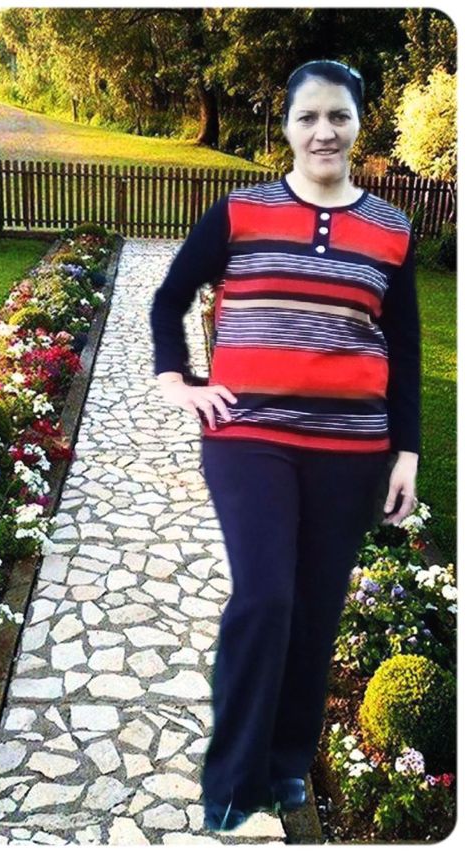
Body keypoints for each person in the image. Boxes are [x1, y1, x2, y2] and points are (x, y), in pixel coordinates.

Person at [149, 59, 422, 833]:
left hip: (352, 448)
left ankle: (287, 760)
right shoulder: (240, 212)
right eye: (308, 116)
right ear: (287, 127)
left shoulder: (392, 228)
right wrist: (178, 381)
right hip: (250, 437)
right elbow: (170, 298)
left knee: (316, 604)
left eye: (339, 115)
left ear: (359, 124)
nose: (323, 131)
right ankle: (233, 778)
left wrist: (407, 451)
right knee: (266, 596)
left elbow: (404, 345)